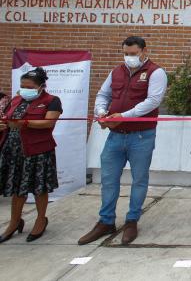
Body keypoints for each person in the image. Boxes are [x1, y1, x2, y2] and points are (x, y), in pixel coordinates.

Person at [78, 36, 167, 246]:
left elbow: (153, 101)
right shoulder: (116, 71)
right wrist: (102, 113)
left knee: (139, 180)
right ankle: (106, 221)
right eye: (126, 53)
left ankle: (132, 221)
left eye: (134, 53)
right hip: (115, 136)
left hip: (141, 136)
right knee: (108, 180)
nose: (129, 57)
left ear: (144, 51)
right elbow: (102, 95)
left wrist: (123, 116)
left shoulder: (156, 72)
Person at [0, 67, 62, 243]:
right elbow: (6, 119)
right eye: (22, 85)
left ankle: (41, 219)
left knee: (39, 187)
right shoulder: (16, 100)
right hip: (14, 150)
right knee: (17, 189)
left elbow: (48, 123)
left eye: (29, 86)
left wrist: (24, 123)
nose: (24, 89)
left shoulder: (52, 101)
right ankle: (14, 222)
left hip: (38, 151)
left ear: (41, 86)